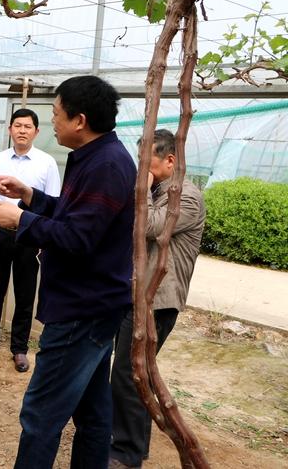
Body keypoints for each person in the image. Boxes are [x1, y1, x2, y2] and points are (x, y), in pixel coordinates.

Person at [0, 76, 136, 468]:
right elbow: (75, 216)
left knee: (41, 415)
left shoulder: (106, 165)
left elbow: (78, 238)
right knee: (92, 412)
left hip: (80, 310)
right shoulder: (96, 157)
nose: (51, 121)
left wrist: (21, 220)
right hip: (94, 307)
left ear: (79, 120)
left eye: (55, 114)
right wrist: (30, 196)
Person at [109, 129, 206, 469]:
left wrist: (143, 191)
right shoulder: (156, 191)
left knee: (129, 373)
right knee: (135, 373)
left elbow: (150, 226)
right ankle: (134, 442)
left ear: (170, 160)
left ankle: (127, 453)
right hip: (137, 296)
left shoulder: (187, 197)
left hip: (158, 301)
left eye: (145, 161)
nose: (140, 169)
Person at [0, 109, 60, 373]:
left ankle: (19, 348)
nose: (22, 130)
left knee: (25, 292)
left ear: (36, 132)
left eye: (27, 126)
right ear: (10, 129)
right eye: (18, 125)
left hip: (29, 234)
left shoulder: (47, 163)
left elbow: (52, 203)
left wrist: (45, 238)